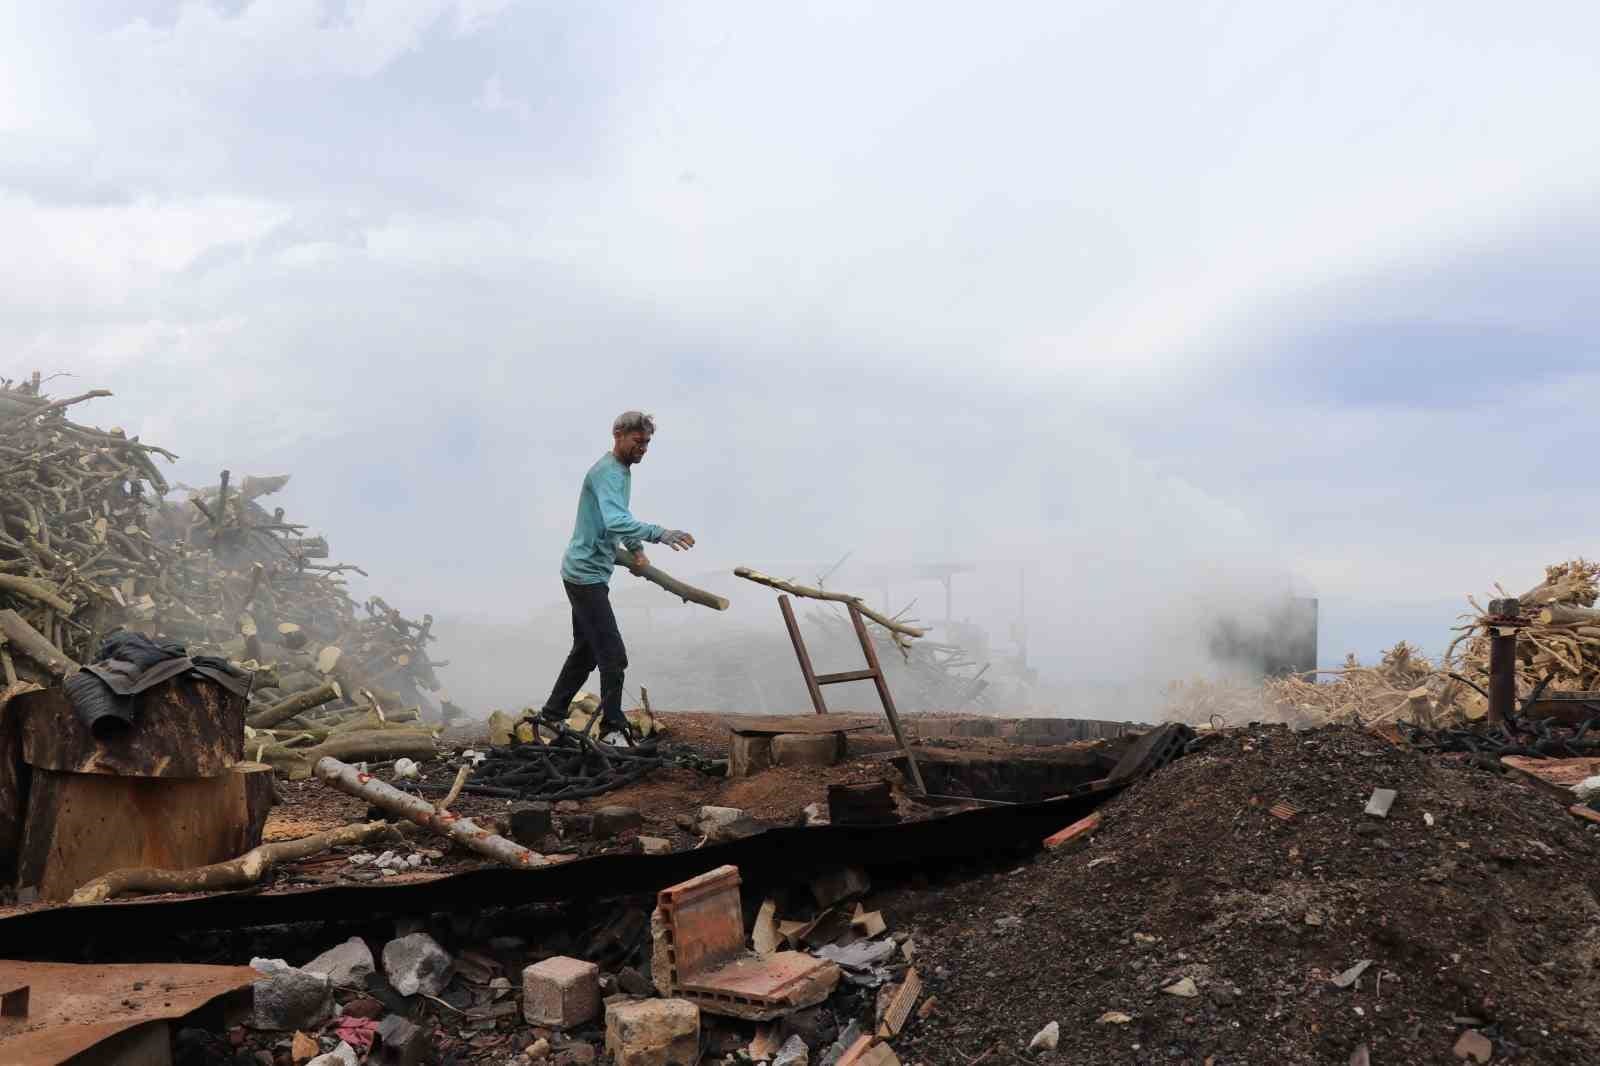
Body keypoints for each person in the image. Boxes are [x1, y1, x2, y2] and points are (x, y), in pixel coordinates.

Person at [537, 411, 695, 743]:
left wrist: (636, 549)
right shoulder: (607, 472)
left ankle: (550, 715)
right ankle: (612, 726)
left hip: (589, 571)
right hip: (584, 575)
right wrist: (659, 534)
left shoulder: (621, 472)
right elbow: (615, 521)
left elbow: (621, 516)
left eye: (648, 443)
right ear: (618, 435)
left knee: (585, 651)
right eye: (638, 442)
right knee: (613, 655)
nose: (644, 449)